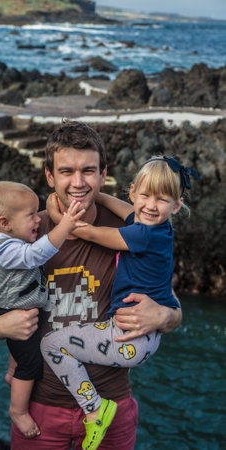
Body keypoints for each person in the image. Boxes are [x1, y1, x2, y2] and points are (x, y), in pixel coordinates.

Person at [0, 121, 183, 450]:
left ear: (103, 175)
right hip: (40, 409)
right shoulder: (29, 234)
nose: (77, 182)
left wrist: (162, 317)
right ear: (50, 176)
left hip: (112, 404)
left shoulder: (132, 231)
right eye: (66, 171)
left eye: (88, 171)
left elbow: (172, 308)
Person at [41, 154, 198, 450]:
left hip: (129, 337)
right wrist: (97, 194)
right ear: (132, 193)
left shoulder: (142, 234)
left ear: (177, 206)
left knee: (51, 344)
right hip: (144, 338)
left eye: (162, 199)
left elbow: (84, 231)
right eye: (145, 195)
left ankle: (94, 409)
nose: (151, 205)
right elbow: (127, 210)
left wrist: (55, 208)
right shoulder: (157, 227)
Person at [0, 181, 86, 438]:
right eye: (31, 216)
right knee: (32, 363)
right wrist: (65, 226)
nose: (38, 219)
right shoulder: (8, 249)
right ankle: (18, 410)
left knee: (20, 352)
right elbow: (36, 255)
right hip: (12, 312)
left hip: (5, 307)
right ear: (5, 224)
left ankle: (12, 373)